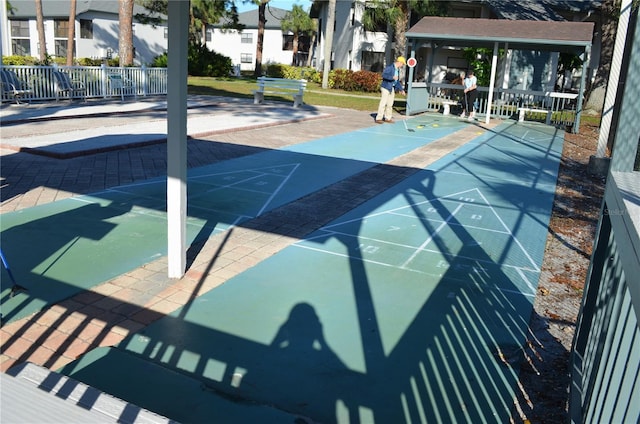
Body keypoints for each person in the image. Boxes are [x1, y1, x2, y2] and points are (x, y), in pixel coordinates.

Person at [375, 56, 406, 124]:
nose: (402, 65)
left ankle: (388, 118)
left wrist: (401, 89)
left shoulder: (397, 70)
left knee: (390, 104)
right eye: (402, 64)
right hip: (386, 87)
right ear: (399, 62)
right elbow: (384, 75)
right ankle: (379, 118)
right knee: (383, 103)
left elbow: (397, 81)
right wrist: (392, 77)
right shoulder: (390, 68)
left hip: (392, 88)